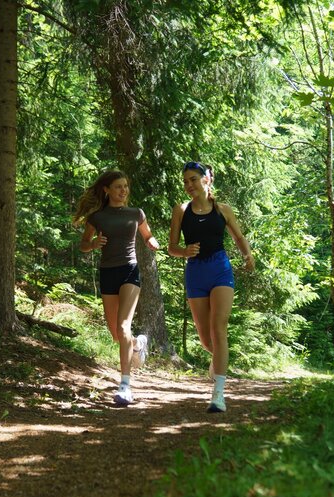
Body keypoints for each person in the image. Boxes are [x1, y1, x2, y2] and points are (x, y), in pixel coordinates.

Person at [168, 161, 254, 413]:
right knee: (207, 339)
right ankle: (216, 362)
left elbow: (238, 236)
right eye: (185, 181)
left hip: (220, 269)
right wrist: (184, 251)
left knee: (219, 327)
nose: (188, 185)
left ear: (206, 180)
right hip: (195, 273)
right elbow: (171, 247)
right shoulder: (181, 210)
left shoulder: (223, 210)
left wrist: (247, 255)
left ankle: (218, 394)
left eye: (193, 179)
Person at [74, 169, 160, 406]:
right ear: (107, 190)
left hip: (130, 271)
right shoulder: (97, 217)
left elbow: (147, 235)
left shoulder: (136, 213)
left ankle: (124, 386)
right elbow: (83, 244)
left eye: (125, 186)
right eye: (118, 187)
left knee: (124, 326)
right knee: (116, 334)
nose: (124, 191)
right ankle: (137, 344)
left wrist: (152, 241)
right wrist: (93, 244)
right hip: (108, 273)